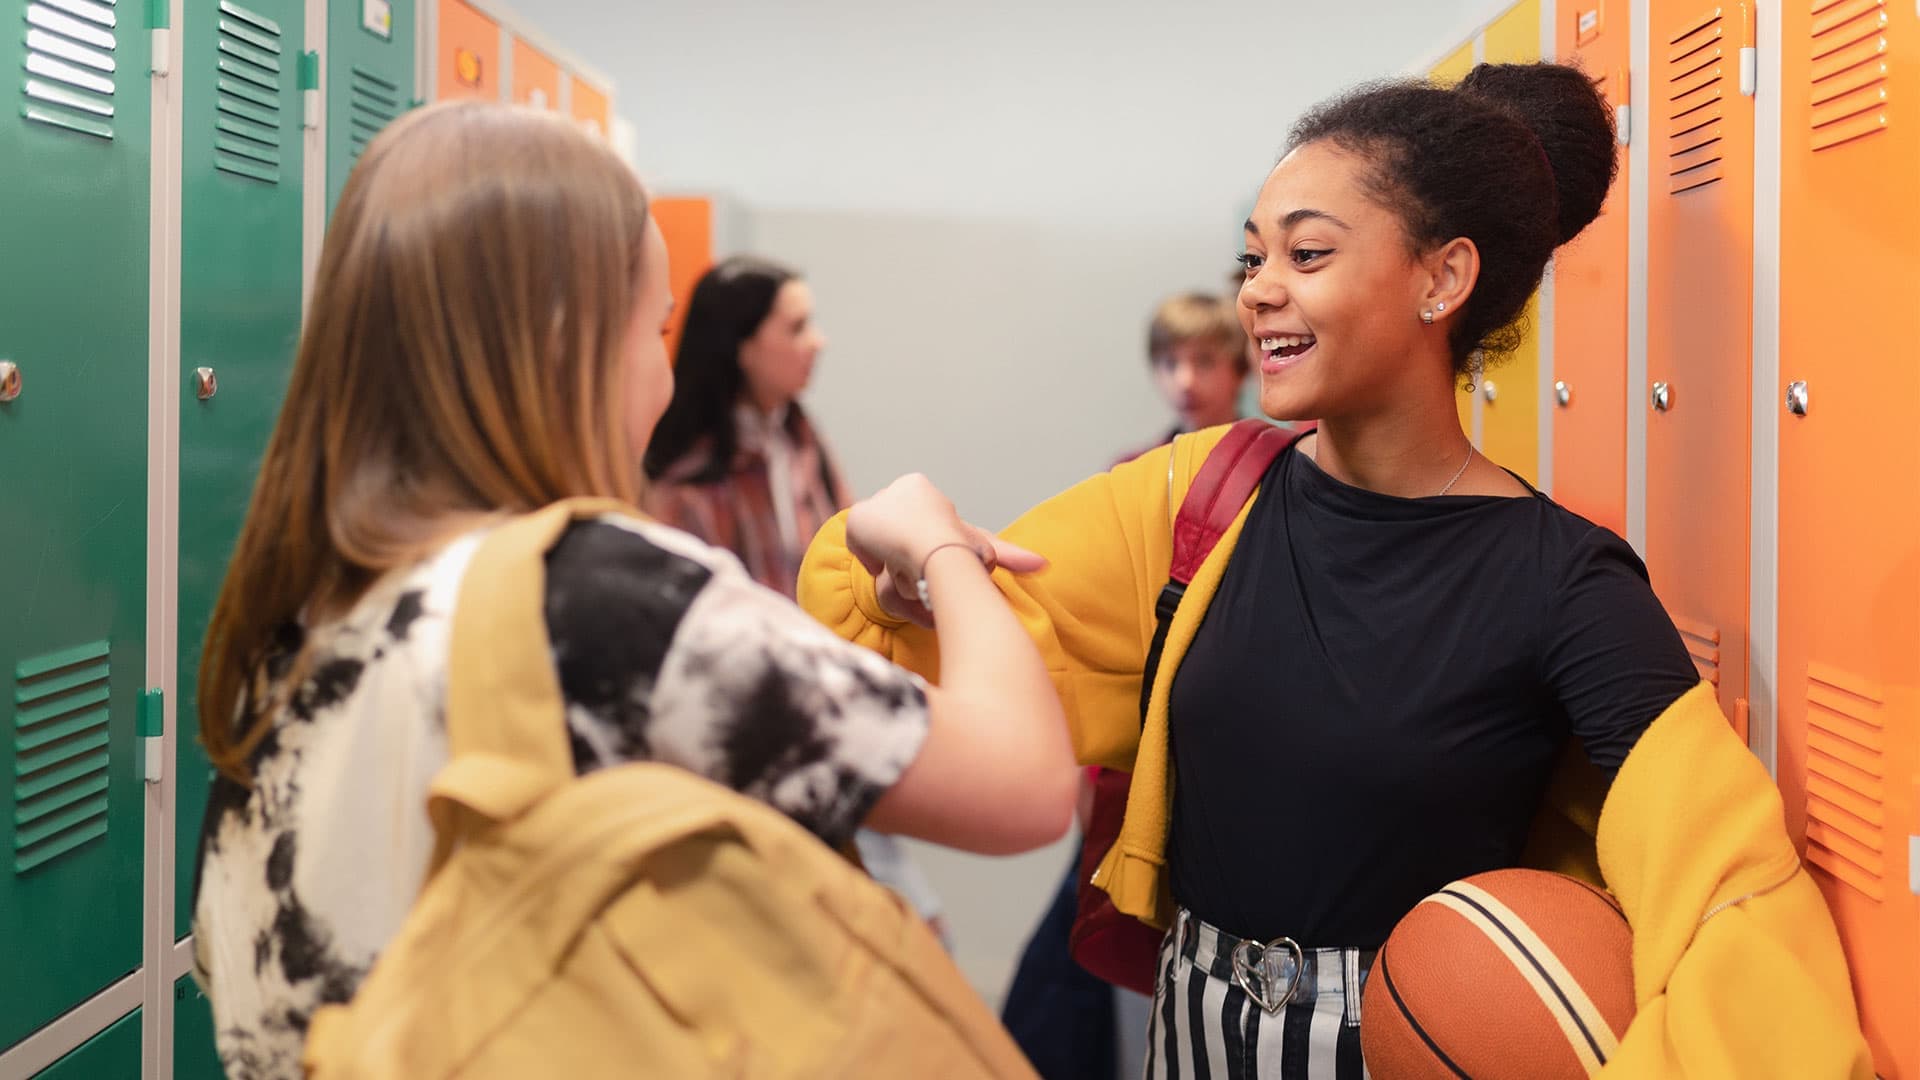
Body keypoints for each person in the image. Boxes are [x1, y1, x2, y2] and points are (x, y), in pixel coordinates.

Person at [800, 64, 1870, 1078]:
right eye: (1252, 259)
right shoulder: (1196, 495)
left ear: (1443, 278)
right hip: (1190, 1029)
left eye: (1305, 257)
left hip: (1411, 1044)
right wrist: (907, 563)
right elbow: (921, 677)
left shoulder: (1567, 584)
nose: (1258, 292)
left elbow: (1732, 894)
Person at [189, 101, 1075, 1080]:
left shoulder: (286, 619)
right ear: (567, 340)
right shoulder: (592, 598)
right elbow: (1026, 787)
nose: (661, 375)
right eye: (652, 327)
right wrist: (937, 540)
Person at [642, 256, 950, 943]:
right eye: (798, 325)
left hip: (829, 711)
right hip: (751, 741)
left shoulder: (802, 440)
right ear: (742, 345)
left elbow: (843, 562)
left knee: (920, 934)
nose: (819, 341)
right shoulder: (681, 482)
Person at [1113, 293, 1250, 466]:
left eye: (1204, 362)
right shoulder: (1132, 470)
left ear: (1241, 369)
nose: (1185, 382)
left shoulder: (1273, 465)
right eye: (1170, 364)